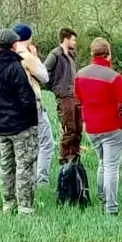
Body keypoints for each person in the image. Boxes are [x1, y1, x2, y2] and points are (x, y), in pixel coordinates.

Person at [0, 29, 40, 214]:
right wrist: (31, 119)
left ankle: (8, 204)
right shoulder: (15, 66)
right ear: (14, 45)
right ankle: (25, 208)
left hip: (1, 125)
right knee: (24, 166)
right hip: (21, 125)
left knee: (5, 166)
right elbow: (26, 96)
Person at [74, 39, 122, 216]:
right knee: (112, 167)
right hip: (112, 127)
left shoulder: (80, 75)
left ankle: (102, 200)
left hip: (91, 127)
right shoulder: (114, 77)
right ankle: (111, 208)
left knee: (102, 164)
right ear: (108, 54)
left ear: (92, 54)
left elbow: (79, 99)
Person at [11, 26, 53, 187]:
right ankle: (41, 180)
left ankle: (21, 179)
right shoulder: (27, 56)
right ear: (28, 38)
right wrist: (35, 56)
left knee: (23, 144)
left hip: (15, 106)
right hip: (33, 105)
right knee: (45, 142)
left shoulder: (10, 56)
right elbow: (44, 77)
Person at [44, 28, 82, 177]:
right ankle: (65, 160)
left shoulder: (71, 56)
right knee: (69, 128)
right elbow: (44, 71)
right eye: (73, 39)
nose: (75, 42)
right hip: (64, 96)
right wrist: (55, 88)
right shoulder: (55, 55)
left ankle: (75, 158)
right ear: (66, 39)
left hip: (75, 96)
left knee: (78, 128)